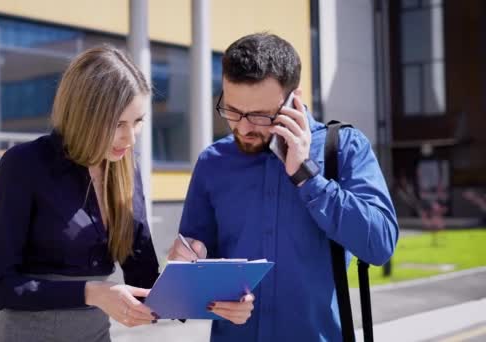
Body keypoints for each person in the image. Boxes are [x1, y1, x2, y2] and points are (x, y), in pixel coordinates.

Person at [168, 33, 399, 341]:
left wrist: (308, 178)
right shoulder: (213, 162)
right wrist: (189, 273)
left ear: (294, 101)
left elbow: (380, 245)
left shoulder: (344, 148)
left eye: (259, 115)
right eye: (233, 111)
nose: (244, 127)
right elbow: (192, 277)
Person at [0, 46, 160, 342]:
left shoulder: (126, 167)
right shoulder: (25, 164)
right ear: (84, 115)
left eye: (138, 121)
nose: (130, 138)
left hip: (95, 335)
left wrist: (203, 290)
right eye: (118, 124)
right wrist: (91, 292)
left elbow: (144, 277)